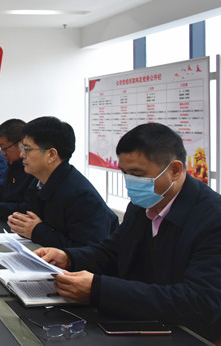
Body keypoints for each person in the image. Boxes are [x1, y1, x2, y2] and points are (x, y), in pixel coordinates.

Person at [36, 123, 221, 342]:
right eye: (124, 173)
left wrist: (100, 289)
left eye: (137, 174)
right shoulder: (143, 205)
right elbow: (113, 251)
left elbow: (199, 302)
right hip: (140, 320)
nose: (129, 183)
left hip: (190, 334)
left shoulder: (212, 218)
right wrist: (69, 258)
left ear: (174, 170)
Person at [8, 116, 118, 248]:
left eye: (27, 148)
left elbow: (89, 250)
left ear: (51, 155)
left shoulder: (82, 196)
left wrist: (37, 231)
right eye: (22, 148)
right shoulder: (39, 183)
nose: (22, 155)